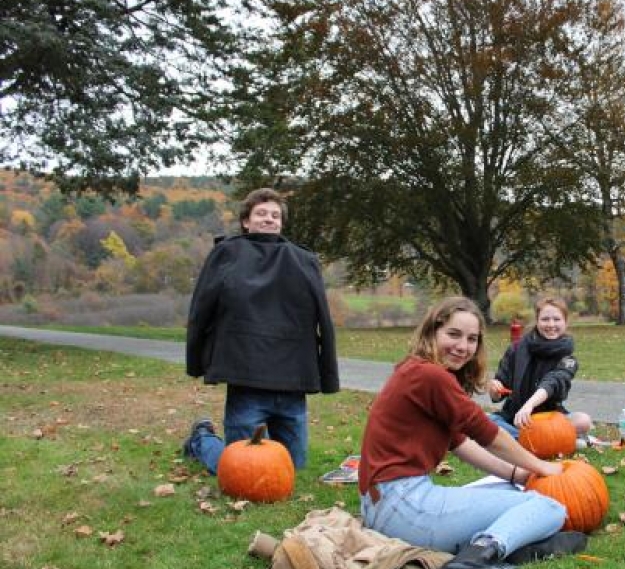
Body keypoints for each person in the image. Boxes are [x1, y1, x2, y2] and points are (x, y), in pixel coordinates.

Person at [358, 296, 586, 569]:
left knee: (506, 488)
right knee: (549, 507)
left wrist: (518, 474)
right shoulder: (430, 376)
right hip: (405, 507)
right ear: (433, 331)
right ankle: (478, 556)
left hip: (381, 506)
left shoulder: (416, 370)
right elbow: (487, 433)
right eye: (453, 334)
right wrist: (542, 468)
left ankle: (509, 548)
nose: (462, 347)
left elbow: (461, 443)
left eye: (471, 339)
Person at [182, 188, 339, 474]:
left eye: (275, 215)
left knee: (292, 471)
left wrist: (326, 374)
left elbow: (324, 322)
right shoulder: (226, 254)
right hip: (247, 379)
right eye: (262, 213)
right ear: (246, 220)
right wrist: (196, 362)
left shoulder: (304, 261)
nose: (269, 219)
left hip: (293, 381)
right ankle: (202, 439)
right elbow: (201, 310)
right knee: (244, 471)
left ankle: (203, 437)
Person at [487, 297, 592, 446]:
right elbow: (501, 388)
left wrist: (529, 405)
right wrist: (494, 388)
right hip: (514, 418)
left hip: (549, 419)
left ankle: (520, 440)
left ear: (565, 322)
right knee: (487, 421)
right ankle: (547, 441)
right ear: (537, 321)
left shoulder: (568, 358)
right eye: (545, 319)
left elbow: (552, 382)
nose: (551, 324)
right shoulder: (516, 349)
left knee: (583, 421)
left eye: (556, 319)